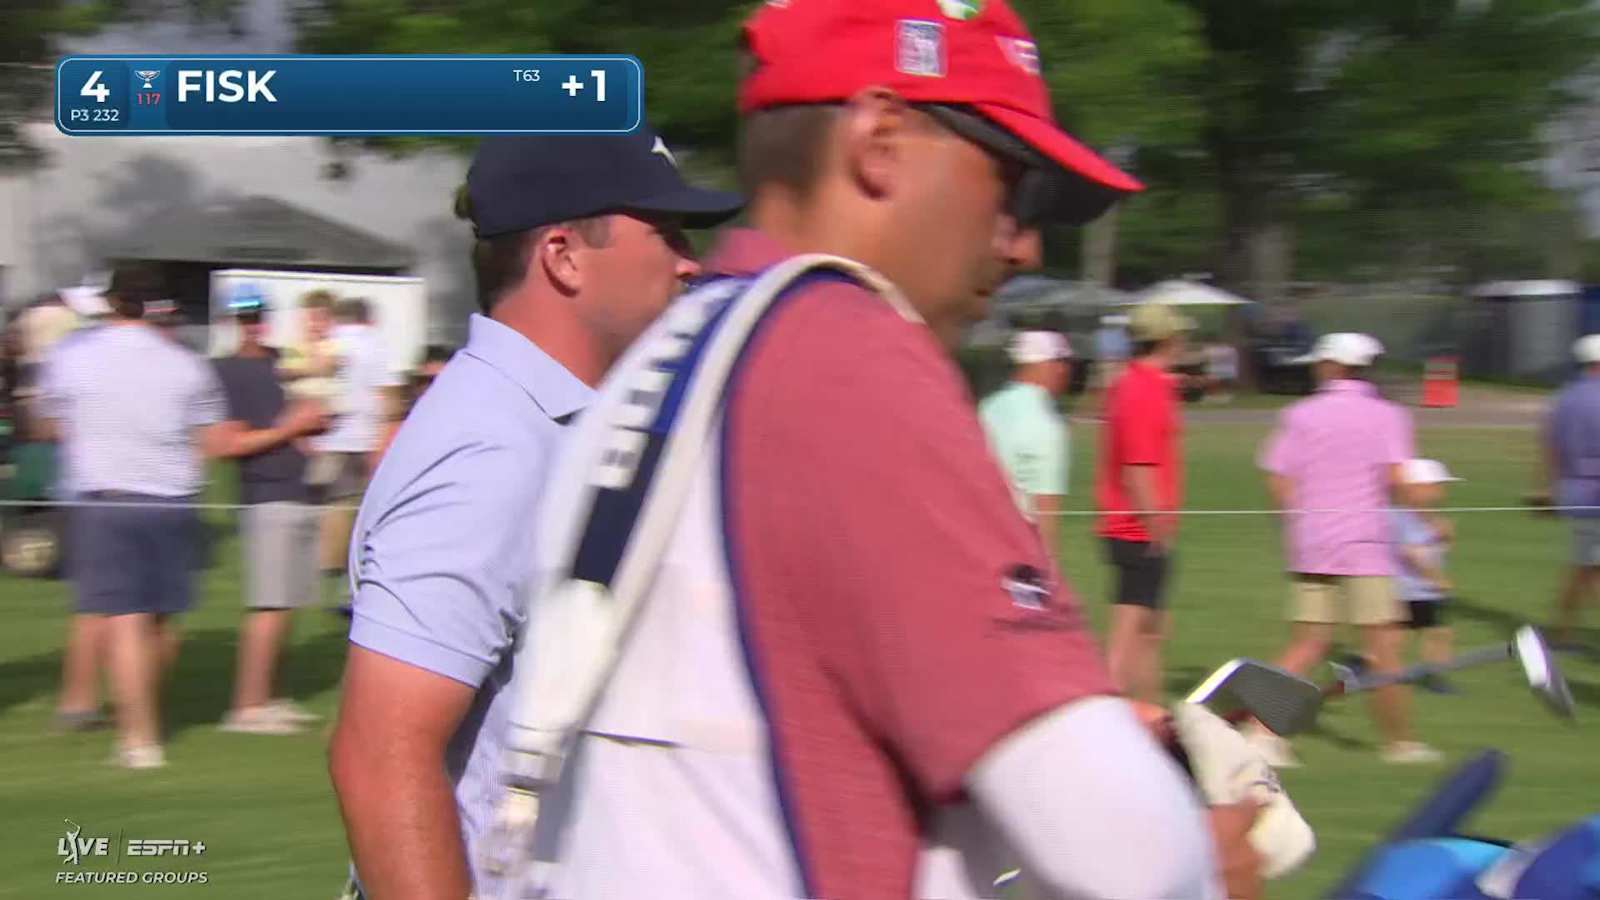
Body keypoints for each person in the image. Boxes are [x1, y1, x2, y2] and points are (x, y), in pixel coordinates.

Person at [501, 3, 1273, 898]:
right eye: (1014, 188)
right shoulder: (852, 355)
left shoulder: (668, 357)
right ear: (880, 139)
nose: (1023, 244)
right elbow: (1131, 859)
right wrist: (1201, 853)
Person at [325, 127, 740, 900]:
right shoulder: (492, 446)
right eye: (667, 232)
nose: (691, 263)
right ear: (563, 255)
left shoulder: (557, 425)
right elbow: (379, 755)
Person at [37, 263, 230, 768]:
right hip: (173, 499)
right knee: (162, 620)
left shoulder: (74, 355)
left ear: (112, 301)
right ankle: (143, 715)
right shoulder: (187, 363)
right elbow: (208, 438)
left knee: (125, 619)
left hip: (108, 498)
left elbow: (50, 423)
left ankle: (138, 740)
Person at [1256, 332, 1437, 766]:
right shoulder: (1389, 416)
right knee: (1383, 649)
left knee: (1308, 644)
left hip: (1312, 543)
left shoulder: (1300, 414)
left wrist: (1300, 522)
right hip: (1365, 546)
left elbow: (1279, 478)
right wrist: (1425, 506)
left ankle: (1263, 734)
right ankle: (1400, 743)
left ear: (1332, 367)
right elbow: (1399, 479)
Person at [210, 296, 331, 733]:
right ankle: (246, 707)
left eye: (258, 316)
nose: (252, 325)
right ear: (231, 322)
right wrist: (292, 428)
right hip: (267, 494)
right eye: (244, 318)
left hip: (303, 490)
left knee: (288, 604)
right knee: (269, 604)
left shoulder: (283, 364)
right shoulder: (226, 372)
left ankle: (270, 697)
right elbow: (226, 445)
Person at [1097, 301, 1192, 705]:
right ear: (1168, 340)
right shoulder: (1142, 389)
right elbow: (1138, 467)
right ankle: (1107, 714)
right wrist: (1158, 532)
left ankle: (1148, 718)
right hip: (1137, 529)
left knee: (1152, 632)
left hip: (1137, 526)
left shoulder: (1138, 384)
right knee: (1130, 633)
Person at [308, 296, 396, 577]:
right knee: (351, 504)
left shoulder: (330, 340)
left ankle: (325, 561)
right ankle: (335, 564)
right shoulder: (375, 344)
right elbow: (388, 396)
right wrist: (385, 436)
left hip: (327, 435)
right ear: (368, 319)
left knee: (329, 501)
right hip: (363, 436)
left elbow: (316, 376)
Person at [979, 330, 1072, 551]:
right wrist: (1050, 571)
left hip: (977, 536)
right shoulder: (1047, 423)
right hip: (1019, 547)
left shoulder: (986, 407)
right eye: (1062, 362)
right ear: (1048, 364)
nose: (1065, 370)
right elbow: (1045, 509)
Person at [1544, 334, 1600, 646]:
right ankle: (1561, 632)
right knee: (1587, 566)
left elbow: (1551, 447)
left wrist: (1549, 489)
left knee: (1585, 566)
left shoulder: (1564, 398)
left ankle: (1563, 631)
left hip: (1574, 494)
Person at [1390, 458, 1459, 690]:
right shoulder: (1400, 517)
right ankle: (1374, 671)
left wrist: (1446, 536)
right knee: (1399, 637)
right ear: (1414, 489)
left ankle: (1432, 676)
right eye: (1435, 486)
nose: (1441, 492)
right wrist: (1436, 578)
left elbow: (1439, 550)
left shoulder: (1430, 517)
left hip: (1424, 591)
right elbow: (1410, 553)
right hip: (1406, 590)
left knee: (1438, 633)